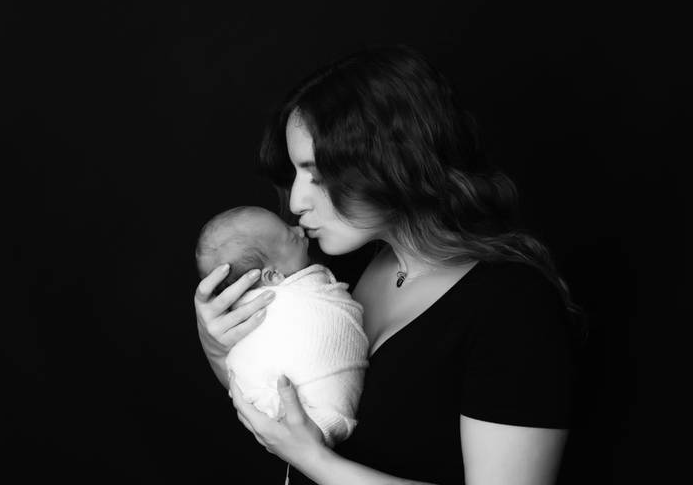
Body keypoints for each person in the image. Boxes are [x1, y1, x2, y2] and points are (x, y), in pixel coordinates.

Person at [193, 45, 583, 485]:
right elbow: (283, 415)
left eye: (317, 174)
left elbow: (304, 450)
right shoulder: (339, 273)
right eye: (296, 175)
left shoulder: (513, 305)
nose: (297, 202)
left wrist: (315, 462)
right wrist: (220, 347)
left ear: (390, 163)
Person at [195, 206, 368, 446]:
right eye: (290, 235)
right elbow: (254, 364)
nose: (299, 229)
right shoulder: (257, 313)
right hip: (309, 420)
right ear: (272, 276)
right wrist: (215, 350)